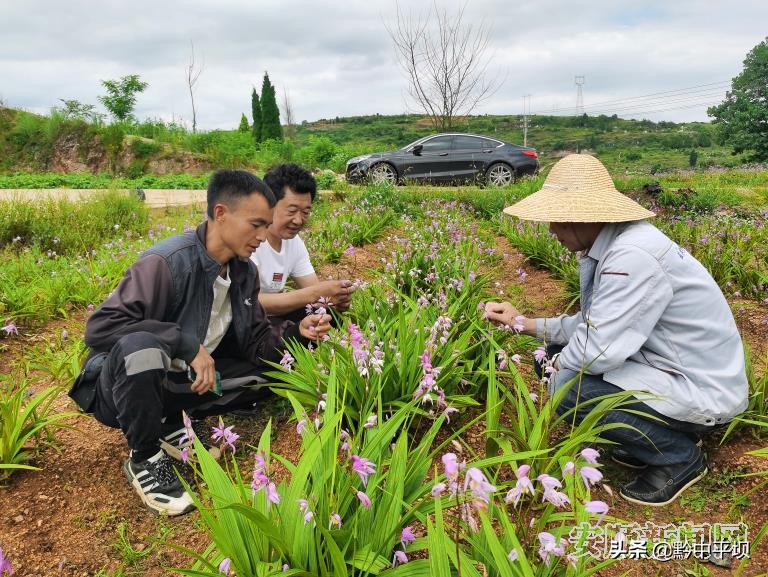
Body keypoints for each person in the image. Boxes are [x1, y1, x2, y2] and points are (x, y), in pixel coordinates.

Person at [484, 154, 747, 506]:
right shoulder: (615, 246)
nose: (551, 230)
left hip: (700, 389)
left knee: (566, 385)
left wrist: (556, 373)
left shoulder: (632, 256)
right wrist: (524, 324)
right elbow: (592, 325)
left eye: (555, 221)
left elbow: (597, 350)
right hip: (671, 369)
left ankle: (678, 456)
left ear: (583, 216)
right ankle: (653, 436)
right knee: (551, 359)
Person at [69, 169, 332, 516]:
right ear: (221, 213)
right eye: (255, 224)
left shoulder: (242, 272)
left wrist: (299, 332)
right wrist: (186, 345)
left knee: (272, 375)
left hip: (181, 384)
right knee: (142, 347)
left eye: (266, 224)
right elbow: (101, 328)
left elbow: (256, 343)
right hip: (121, 388)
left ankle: (172, 423)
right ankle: (144, 457)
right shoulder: (166, 263)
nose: (262, 235)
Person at [251, 163, 355, 323]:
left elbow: (312, 287)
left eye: (305, 212)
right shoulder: (250, 240)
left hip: (272, 316)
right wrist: (315, 294)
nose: (298, 220)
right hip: (245, 321)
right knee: (291, 332)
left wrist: (333, 299)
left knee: (328, 315)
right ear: (269, 204)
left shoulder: (294, 243)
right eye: (291, 211)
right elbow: (251, 302)